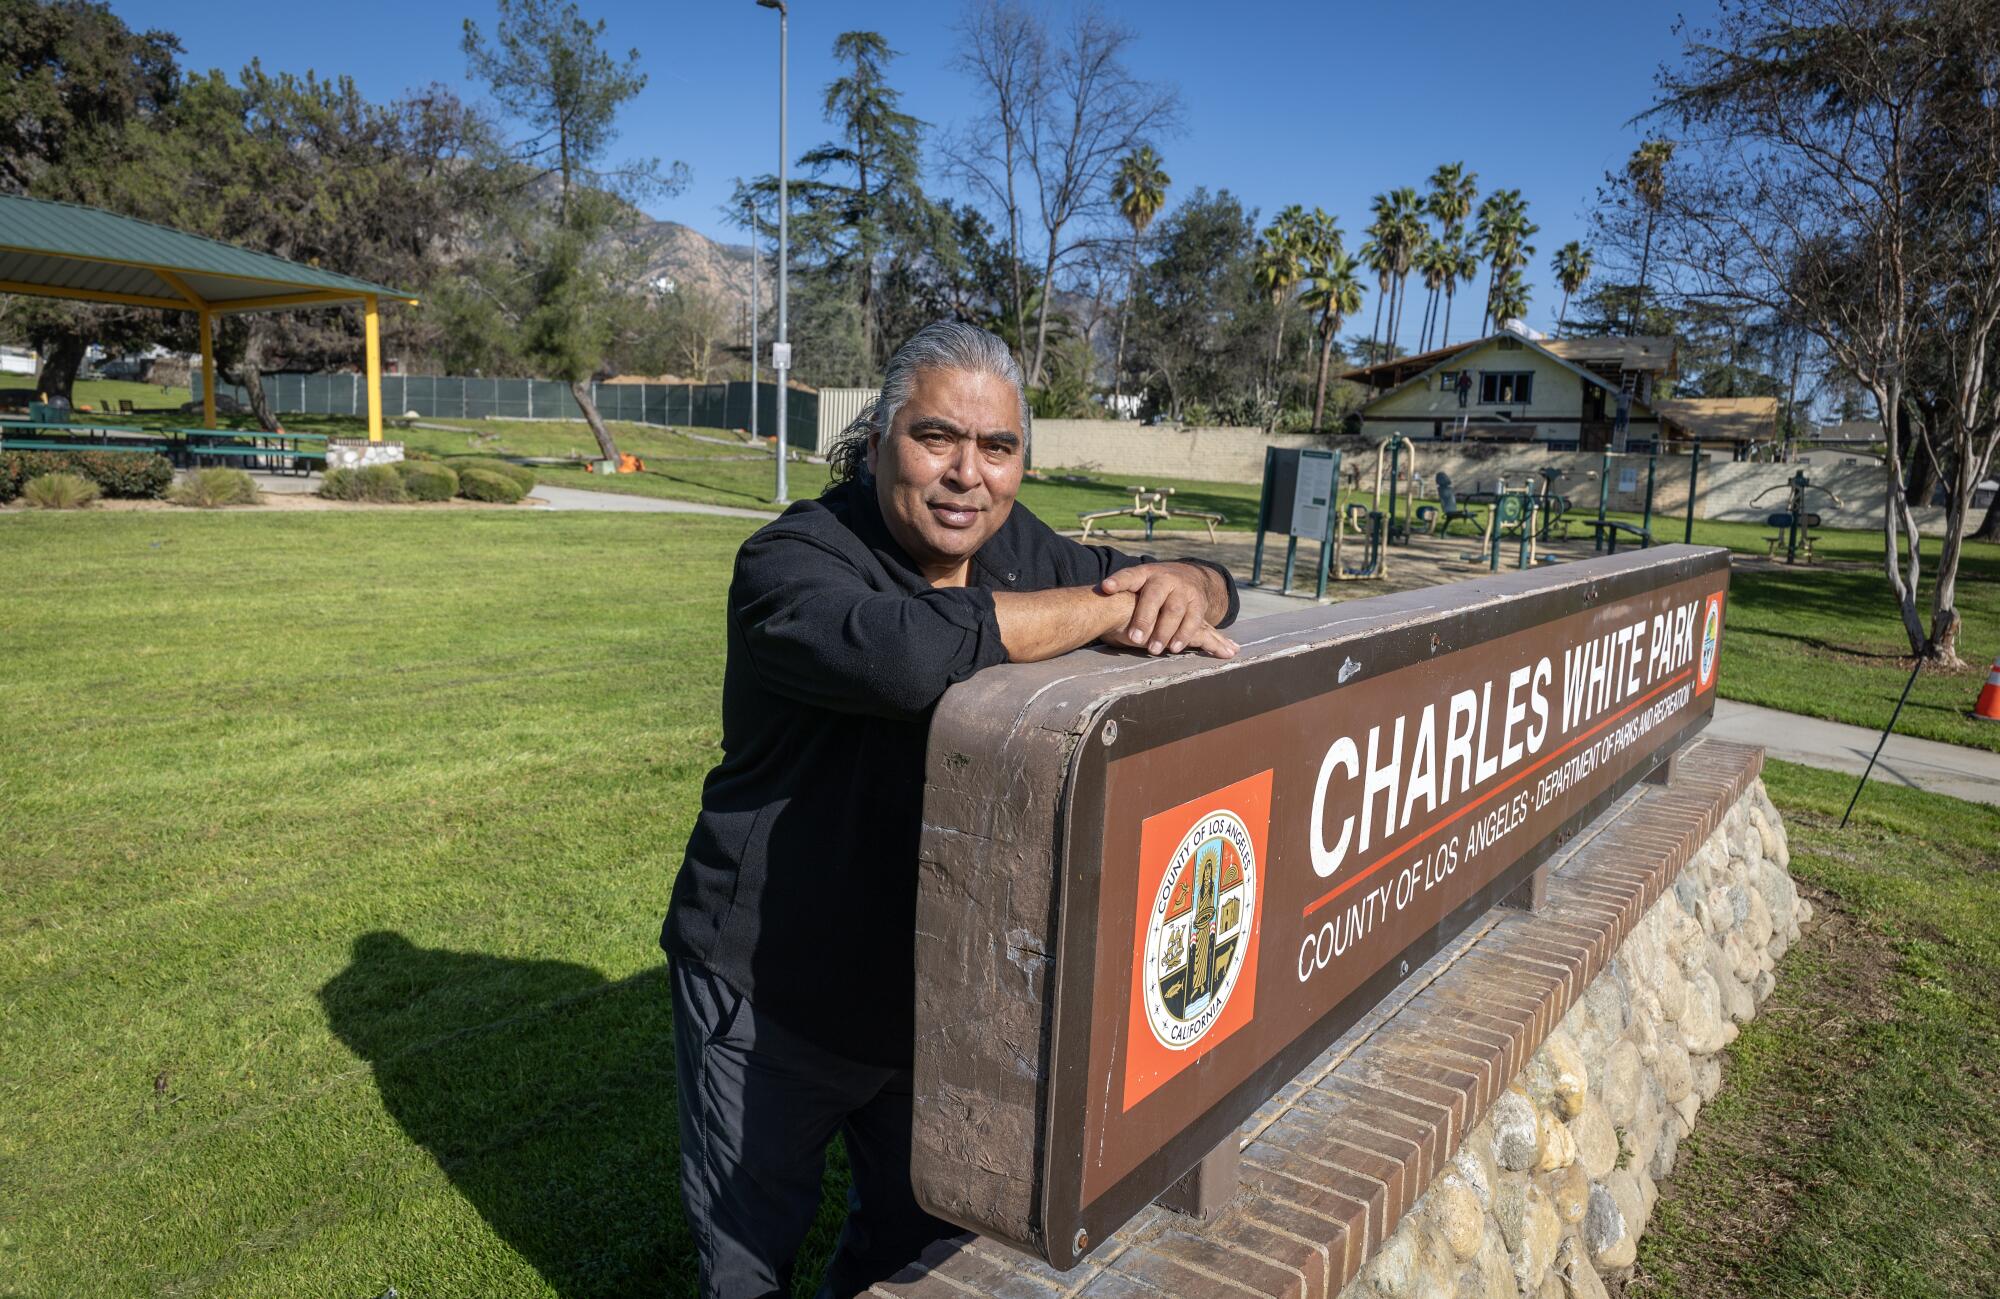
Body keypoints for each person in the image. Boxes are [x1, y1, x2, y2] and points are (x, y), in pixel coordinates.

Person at [662, 321, 1238, 1298]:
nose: (967, 473)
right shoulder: (790, 560)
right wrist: (1110, 609)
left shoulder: (1018, 549)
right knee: (747, 1262)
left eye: (997, 447)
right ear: (876, 440)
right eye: (936, 437)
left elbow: (1194, 586)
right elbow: (905, 653)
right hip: (770, 989)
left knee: (914, 1248)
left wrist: (1193, 582)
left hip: (936, 995)